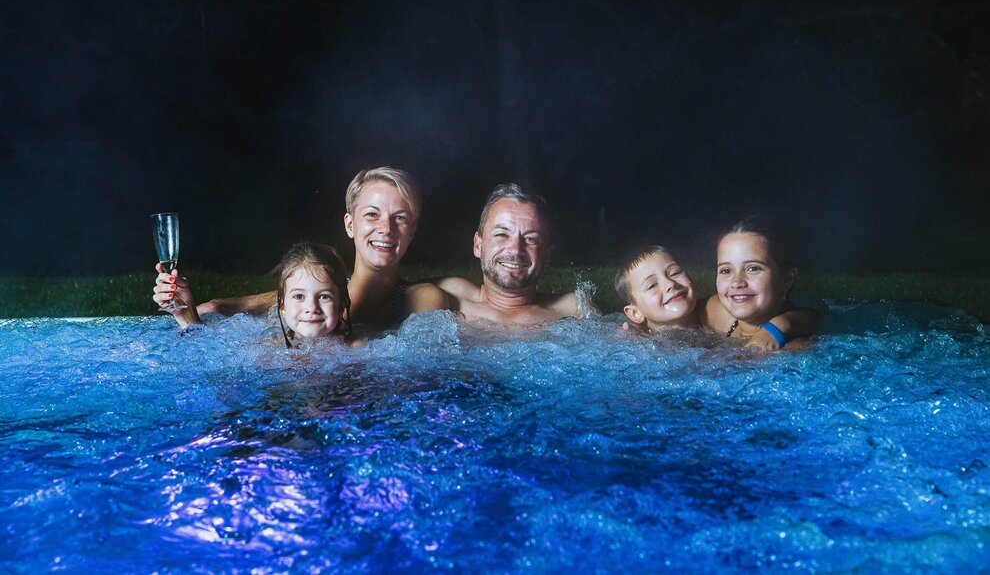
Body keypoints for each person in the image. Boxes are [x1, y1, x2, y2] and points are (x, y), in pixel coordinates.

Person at [195, 167, 448, 328]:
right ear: (350, 225)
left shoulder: (424, 298)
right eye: (372, 214)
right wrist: (196, 312)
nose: (386, 228)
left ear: (412, 231)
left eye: (400, 218)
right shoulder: (316, 295)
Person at [614, 240, 819, 350]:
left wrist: (776, 328)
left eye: (675, 273)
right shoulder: (637, 341)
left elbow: (810, 316)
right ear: (634, 314)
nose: (669, 284)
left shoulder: (713, 310)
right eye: (652, 285)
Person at [437, 183, 592, 326]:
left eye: (531, 239)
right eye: (501, 235)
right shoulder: (444, 302)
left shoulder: (574, 311)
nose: (516, 249)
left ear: (547, 255)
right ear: (478, 245)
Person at [154, 241, 350, 346]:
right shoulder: (269, 349)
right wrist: (186, 314)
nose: (311, 308)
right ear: (282, 306)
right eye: (299, 296)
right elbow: (203, 353)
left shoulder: (356, 349)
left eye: (324, 296)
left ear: (341, 303)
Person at [701, 218, 821, 350]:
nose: (737, 282)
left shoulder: (793, 349)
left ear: (787, 279)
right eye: (725, 270)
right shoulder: (715, 312)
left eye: (753, 268)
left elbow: (815, 317)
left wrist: (778, 328)